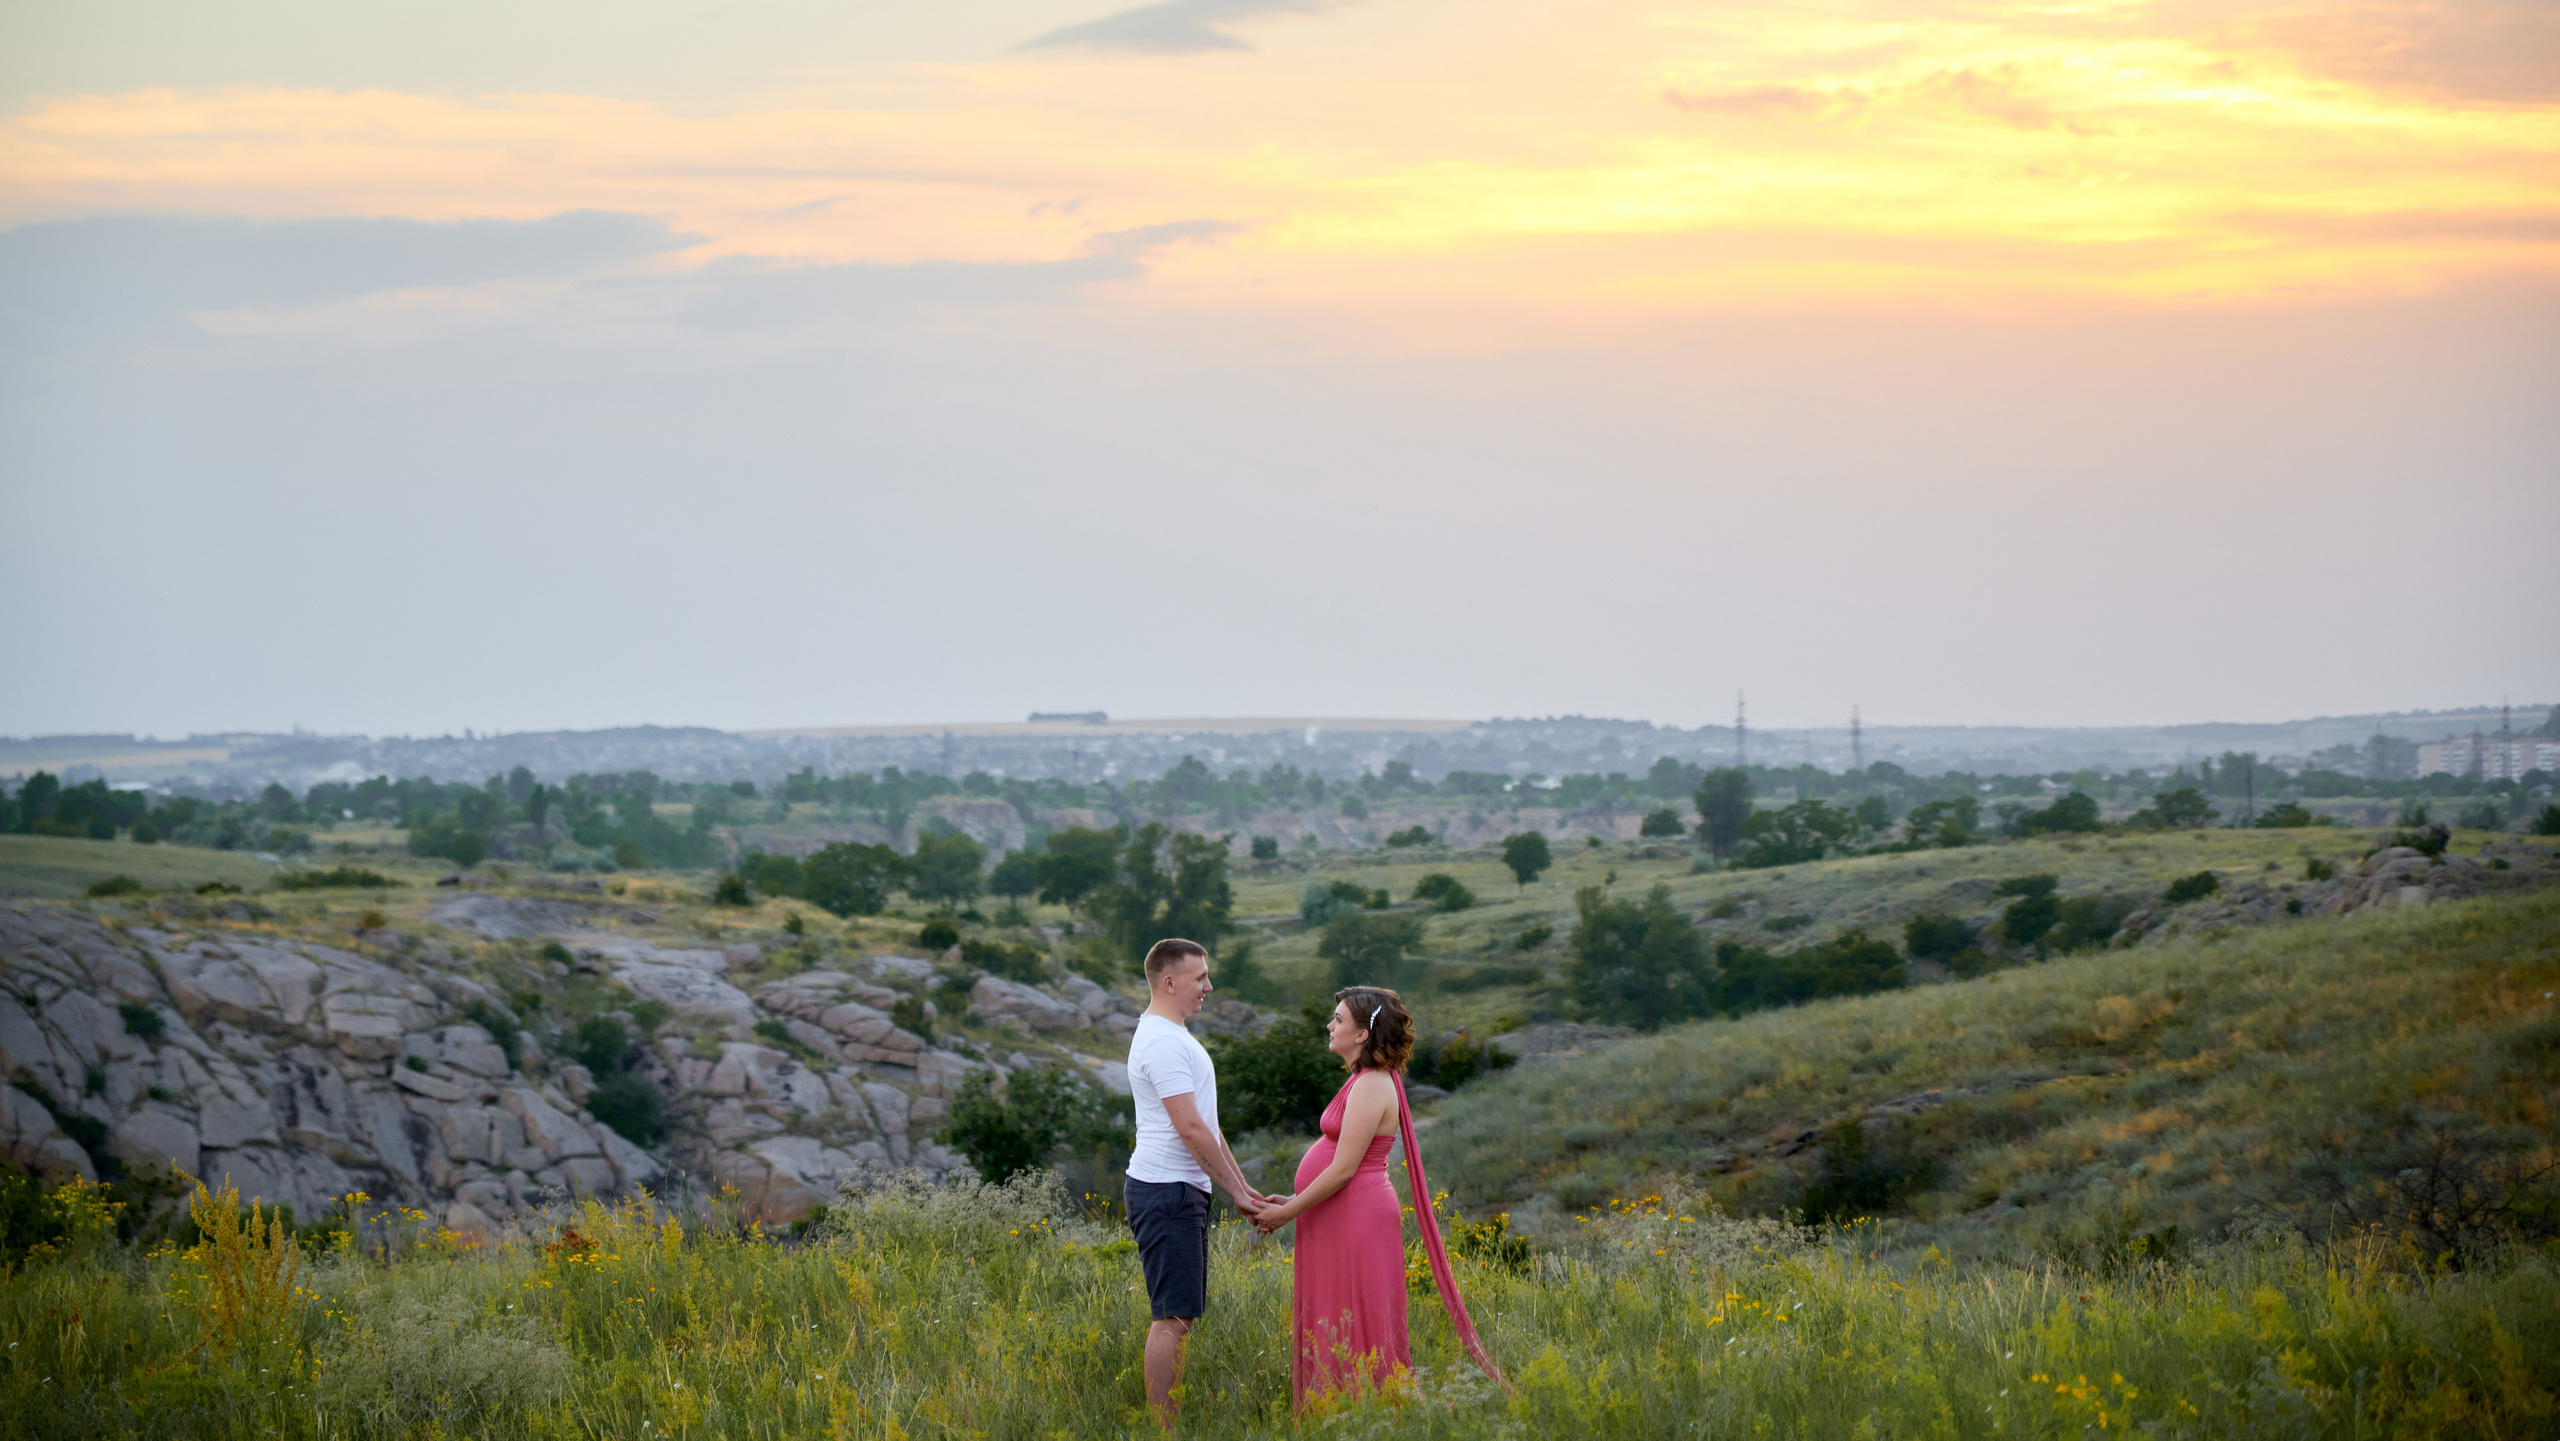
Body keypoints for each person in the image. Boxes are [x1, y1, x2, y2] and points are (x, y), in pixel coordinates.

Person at [1251, 985, 1508, 1408]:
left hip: (1357, 1214)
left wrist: (1290, 1213)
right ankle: (1338, 1410)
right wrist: (1294, 1200)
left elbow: (1344, 1168)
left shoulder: (1372, 1084)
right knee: (1335, 1312)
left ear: (1361, 1035)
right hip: (1339, 1212)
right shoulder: (1361, 1081)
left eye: (1338, 1019)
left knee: (1354, 1313)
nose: (1329, 1025)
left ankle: (1371, 1412)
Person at [1124, 937, 1269, 1429]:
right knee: (1171, 1318)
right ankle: (1165, 1431)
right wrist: (1234, 1193)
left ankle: (1170, 1425)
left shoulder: (1174, 1036)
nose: (1209, 985)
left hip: (1179, 1190)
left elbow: (1208, 1126)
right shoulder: (1163, 1041)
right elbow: (1188, 1129)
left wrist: (1243, 1190)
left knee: (1180, 1315)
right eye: (1199, 977)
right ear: (1169, 982)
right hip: (1166, 1192)